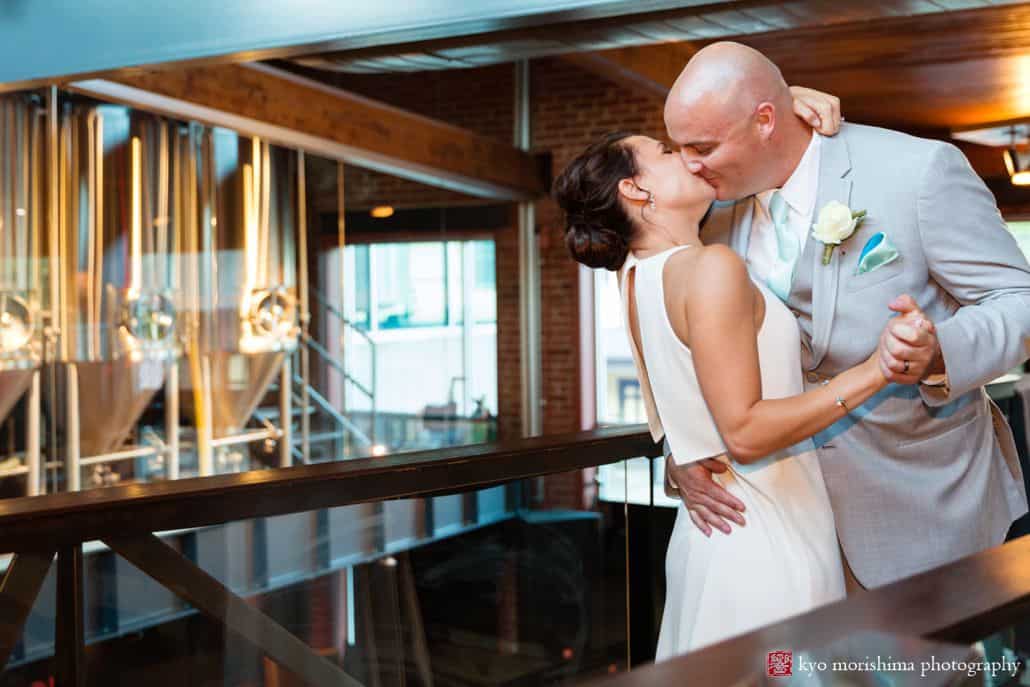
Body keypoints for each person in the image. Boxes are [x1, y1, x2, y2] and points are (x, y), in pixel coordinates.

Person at [660, 42, 1030, 599]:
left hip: (920, 500)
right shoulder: (711, 212)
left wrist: (939, 352)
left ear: (765, 120)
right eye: (679, 148)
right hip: (783, 516)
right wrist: (681, 451)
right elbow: (705, 355)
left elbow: (1017, 297)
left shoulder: (916, 170)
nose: (689, 163)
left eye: (703, 146)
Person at [552, 97, 925, 650]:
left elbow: (672, 406)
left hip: (712, 539)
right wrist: (878, 370)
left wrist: (678, 458)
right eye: (666, 152)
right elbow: (745, 432)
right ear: (635, 189)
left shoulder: (631, 280)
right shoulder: (711, 266)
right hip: (766, 547)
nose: (688, 157)